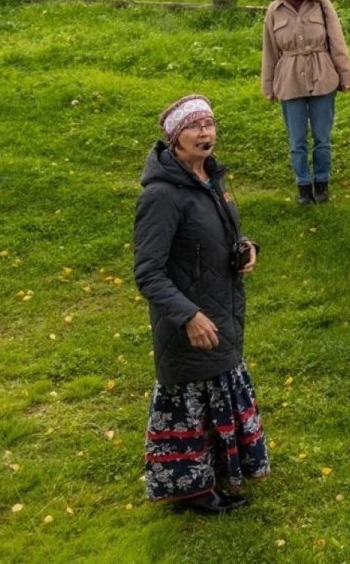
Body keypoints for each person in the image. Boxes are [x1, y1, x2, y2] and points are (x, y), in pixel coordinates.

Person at [136, 96, 266, 513]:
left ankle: (220, 472)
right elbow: (148, 272)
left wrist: (245, 248)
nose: (206, 133)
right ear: (175, 139)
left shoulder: (212, 178)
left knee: (218, 389)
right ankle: (192, 492)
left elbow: (219, 236)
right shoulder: (161, 196)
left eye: (210, 124)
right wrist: (188, 315)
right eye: (195, 127)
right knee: (191, 402)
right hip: (191, 318)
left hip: (222, 307)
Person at [260, 0, 350, 204]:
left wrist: (346, 76)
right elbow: (269, 51)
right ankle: (303, 185)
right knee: (297, 140)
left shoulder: (321, 5)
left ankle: (322, 183)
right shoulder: (274, 9)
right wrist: (268, 85)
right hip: (289, 79)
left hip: (322, 76)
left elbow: (337, 41)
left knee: (322, 138)